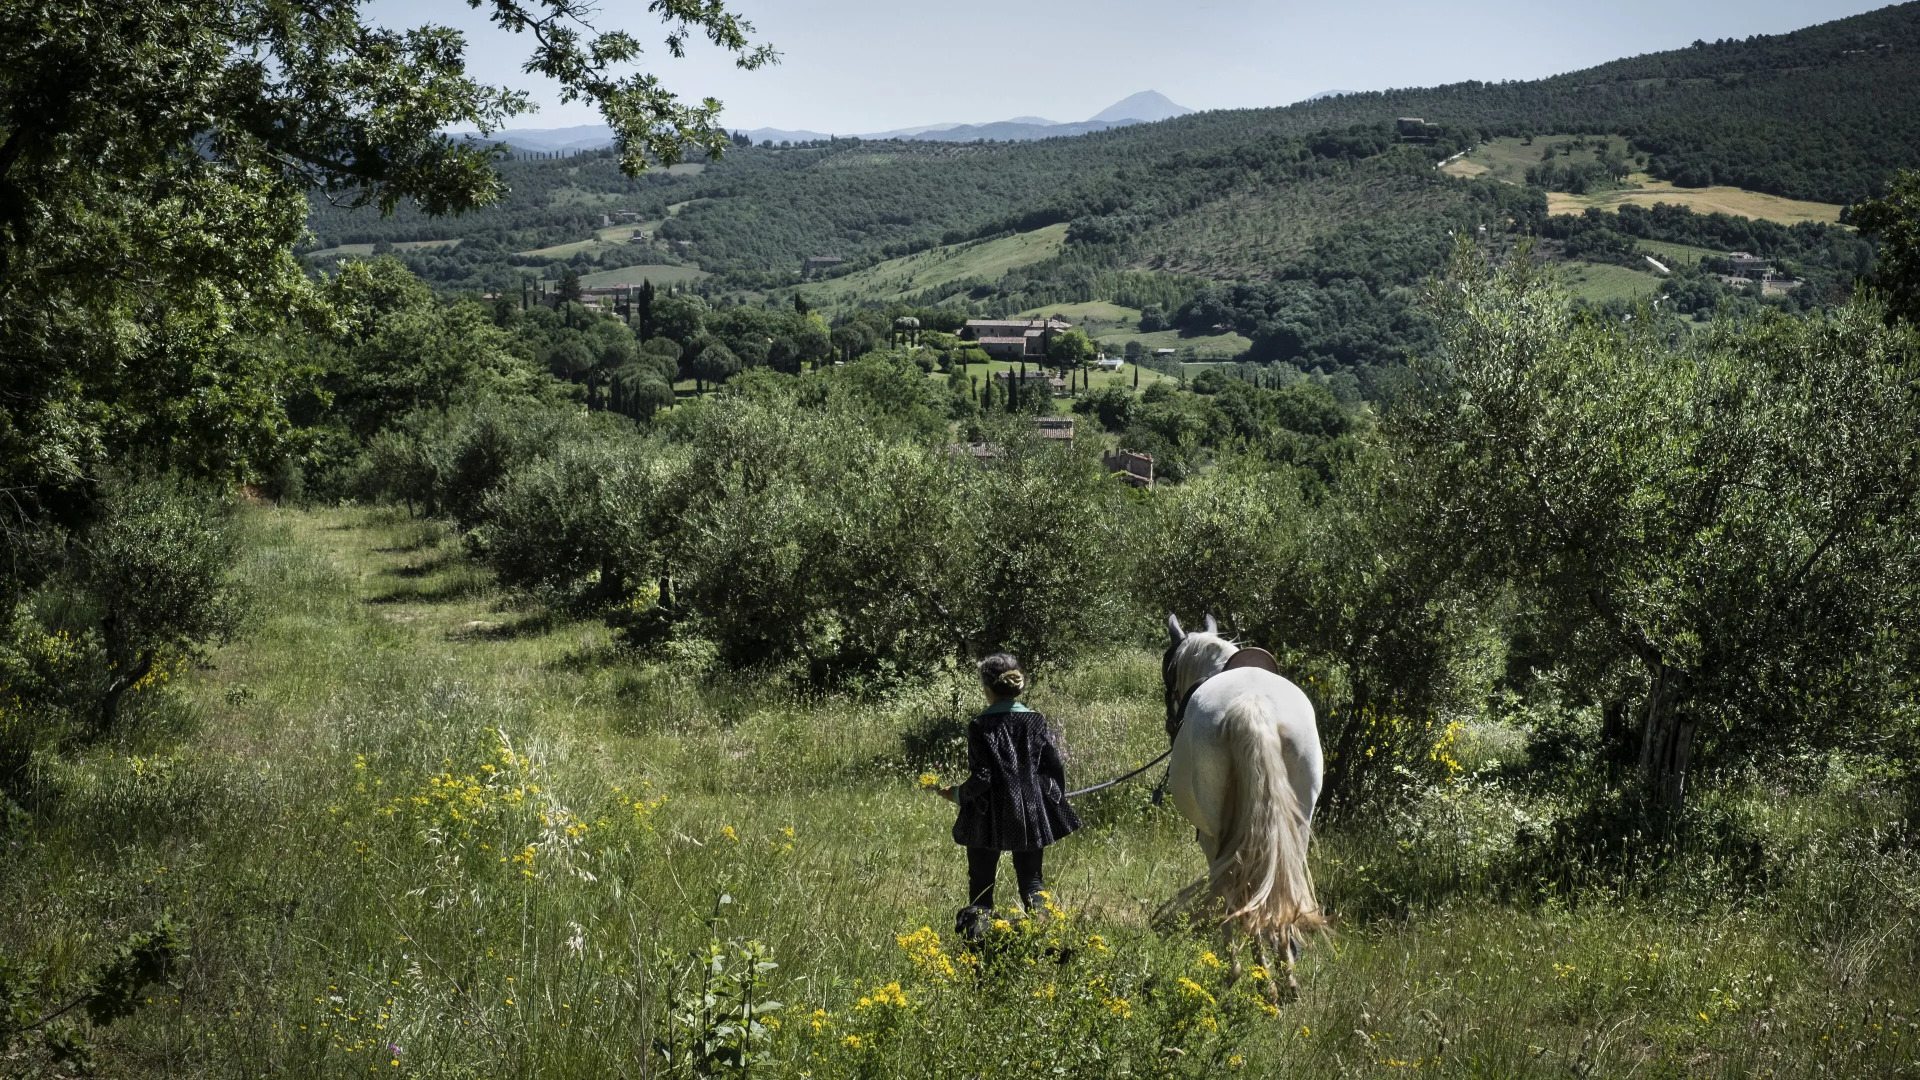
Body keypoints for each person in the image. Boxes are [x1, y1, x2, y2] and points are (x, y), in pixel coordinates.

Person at [938, 652, 1082, 939]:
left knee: (981, 887)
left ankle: (977, 952)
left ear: (987, 688)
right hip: (1028, 813)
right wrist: (1050, 798)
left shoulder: (980, 726)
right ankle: (1048, 941)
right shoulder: (1036, 721)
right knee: (1032, 881)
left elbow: (983, 778)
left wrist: (957, 794)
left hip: (985, 816)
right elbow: (1053, 769)